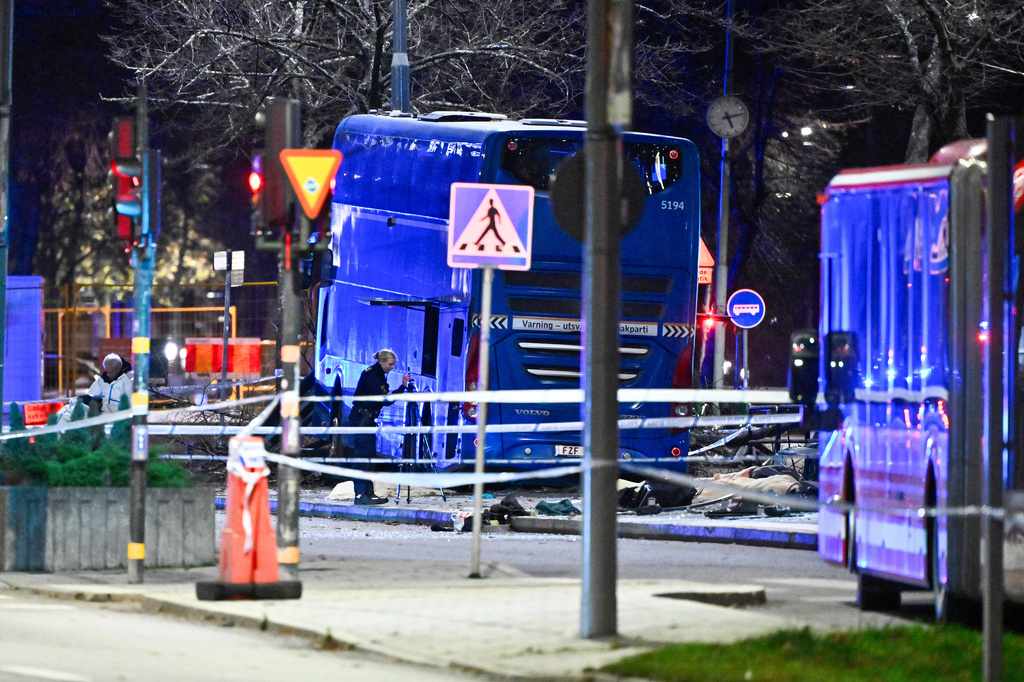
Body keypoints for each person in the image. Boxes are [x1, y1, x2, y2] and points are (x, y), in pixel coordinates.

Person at [347, 349, 411, 505]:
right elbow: (385, 400)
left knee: (368, 457)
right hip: (362, 418)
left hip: (366, 418)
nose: (392, 367)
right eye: (390, 364)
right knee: (362, 457)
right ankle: (361, 494)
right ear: (381, 361)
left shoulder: (378, 374)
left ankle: (368, 492)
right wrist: (402, 388)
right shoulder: (372, 376)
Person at [57, 353, 133, 422]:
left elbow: (128, 404)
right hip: (102, 413)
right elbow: (92, 395)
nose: (108, 375)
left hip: (118, 417)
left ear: (118, 369)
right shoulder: (102, 380)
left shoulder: (128, 381)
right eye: (107, 371)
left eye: (110, 372)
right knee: (69, 411)